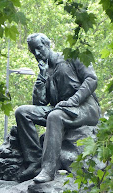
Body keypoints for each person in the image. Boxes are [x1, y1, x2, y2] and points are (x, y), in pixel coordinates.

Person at [15, 33, 101, 183]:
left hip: (85, 108)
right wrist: (41, 77)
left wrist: (73, 100)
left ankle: (48, 170)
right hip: (62, 109)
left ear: (48, 45)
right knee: (22, 112)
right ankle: (35, 160)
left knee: (54, 117)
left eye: (39, 48)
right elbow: (40, 104)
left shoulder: (71, 57)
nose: (37, 53)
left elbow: (92, 80)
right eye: (33, 51)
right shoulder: (45, 71)